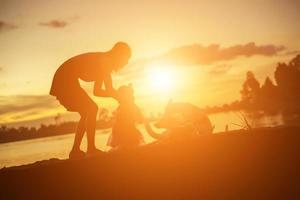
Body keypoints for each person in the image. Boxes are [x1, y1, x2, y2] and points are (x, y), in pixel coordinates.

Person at [49, 42, 131, 159]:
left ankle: (75, 151)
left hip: (67, 76)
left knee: (86, 111)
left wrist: (119, 97)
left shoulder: (106, 64)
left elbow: (104, 90)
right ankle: (91, 149)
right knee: (92, 108)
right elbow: (101, 91)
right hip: (64, 76)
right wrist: (120, 97)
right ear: (119, 55)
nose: (126, 62)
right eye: (126, 58)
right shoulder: (105, 61)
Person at [107, 85, 144, 150]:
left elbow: (140, 119)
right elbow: (118, 121)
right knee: (123, 147)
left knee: (130, 146)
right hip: (121, 133)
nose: (132, 97)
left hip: (129, 132)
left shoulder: (132, 106)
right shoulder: (122, 107)